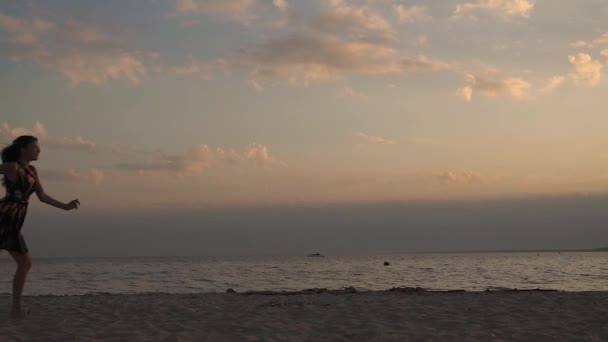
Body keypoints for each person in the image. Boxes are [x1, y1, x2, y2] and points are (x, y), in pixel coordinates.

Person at [0, 135, 80, 319]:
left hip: (14, 220)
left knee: (25, 263)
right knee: (25, 262)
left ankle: (16, 310)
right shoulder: (12, 167)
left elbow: (43, 196)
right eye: (35, 147)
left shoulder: (32, 171)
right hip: (4, 216)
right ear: (23, 149)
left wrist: (66, 206)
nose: (38, 150)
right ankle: (16, 310)